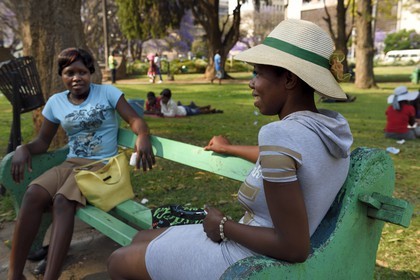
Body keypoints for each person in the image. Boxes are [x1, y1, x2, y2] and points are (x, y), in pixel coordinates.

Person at [107, 19, 353, 280]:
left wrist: (223, 226)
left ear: (290, 79)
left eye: (258, 73)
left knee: (117, 262)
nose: (251, 83)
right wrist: (230, 148)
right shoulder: (328, 128)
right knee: (139, 237)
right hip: (256, 247)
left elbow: (294, 247)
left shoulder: (279, 134)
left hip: (248, 260)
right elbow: (292, 159)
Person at [8, 47, 155, 280]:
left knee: (62, 201)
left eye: (82, 72)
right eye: (69, 72)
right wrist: (22, 148)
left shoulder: (107, 93)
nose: (76, 78)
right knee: (33, 193)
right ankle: (14, 275)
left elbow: (134, 118)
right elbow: (43, 142)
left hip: (103, 166)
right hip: (71, 164)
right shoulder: (56, 102)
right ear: (62, 75)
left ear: (91, 73)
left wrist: (143, 134)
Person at [159, 88, 223, 117]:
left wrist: (163, 114)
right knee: (195, 109)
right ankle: (206, 107)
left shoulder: (172, 103)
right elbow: (163, 111)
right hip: (181, 108)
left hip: (185, 111)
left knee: (197, 112)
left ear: (167, 98)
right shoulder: (162, 102)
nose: (162, 99)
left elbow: (172, 115)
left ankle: (210, 111)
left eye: (163, 97)